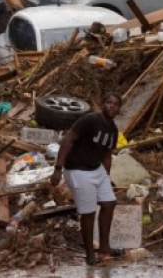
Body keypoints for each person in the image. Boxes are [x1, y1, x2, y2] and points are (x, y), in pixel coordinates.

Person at [50, 93, 124, 265]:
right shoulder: (90, 120)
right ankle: (90, 253)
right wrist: (58, 169)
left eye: (116, 104)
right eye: (108, 102)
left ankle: (105, 246)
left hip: (96, 168)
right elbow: (67, 140)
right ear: (102, 104)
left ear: (120, 109)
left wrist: (106, 176)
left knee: (109, 203)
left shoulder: (113, 129)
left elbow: (107, 155)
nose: (112, 106)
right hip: (77, 169)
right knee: (88, 212)